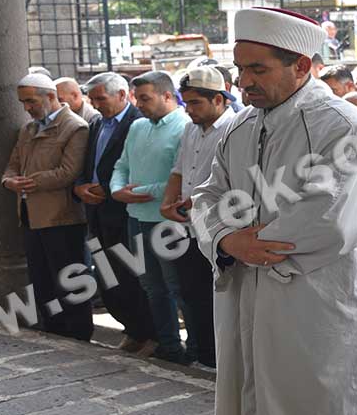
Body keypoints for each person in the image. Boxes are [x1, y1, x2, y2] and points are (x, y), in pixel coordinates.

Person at [191, 7, 357, 414]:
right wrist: (225, 239)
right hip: (246, 296)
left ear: (301, 66)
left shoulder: (343, 125)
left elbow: (329, 219)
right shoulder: (239, 127)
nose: (244, 81)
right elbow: (207, 196)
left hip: (315, 305)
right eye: (240, 68)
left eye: (258, 69)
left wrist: (250, 244)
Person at [2, 73, 92, 341]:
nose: (26, 108)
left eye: (30, 101)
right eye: (23, 102)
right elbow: (12, 164)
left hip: (61, 217)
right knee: (41, 279)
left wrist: (28, 182)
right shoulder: (27, 129)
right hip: (30, 215)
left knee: (69, 278)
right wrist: (9, 181)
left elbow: (68, 172)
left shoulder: (75, 127)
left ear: (51, 96)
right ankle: (54, 329)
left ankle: (78, 332)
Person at [110, 71, 191, 364]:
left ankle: (197, 348)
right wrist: (116, 190)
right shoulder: (138, 126)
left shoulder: (185, 126)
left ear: (167, 95)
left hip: (166, 220)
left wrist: (136, 192)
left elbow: (179, 178)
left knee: (177, 287)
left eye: (145, 98)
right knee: (152, 287)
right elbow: (122, 165)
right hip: (136, 216)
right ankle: (169, 346)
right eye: (137, 99)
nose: (139, 105)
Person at [159, 66, 237, 368]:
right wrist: (168, 202)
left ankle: (221, 361)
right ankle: (203, 356)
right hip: (185, 226)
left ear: (218, 99)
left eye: (195, 103)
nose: (188, 109)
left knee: (217, 297)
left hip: (219, 229)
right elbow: (179, 170)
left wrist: (199, 203)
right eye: (186, 102)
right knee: (191, 295)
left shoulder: (234, 129)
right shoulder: (190, 129)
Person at [75, 72, 157, 356]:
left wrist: (111, 189)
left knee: (132, 277)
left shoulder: (139, 122)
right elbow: (89, 163)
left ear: (122, 95)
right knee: (108, 277)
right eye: (92, 99)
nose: (96, 105)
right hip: (96, 213)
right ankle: (132, 329)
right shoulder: (96, 123)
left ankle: (149, 333)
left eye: (101, 98)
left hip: (124, 214)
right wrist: (81, 187)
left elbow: (138, 168)